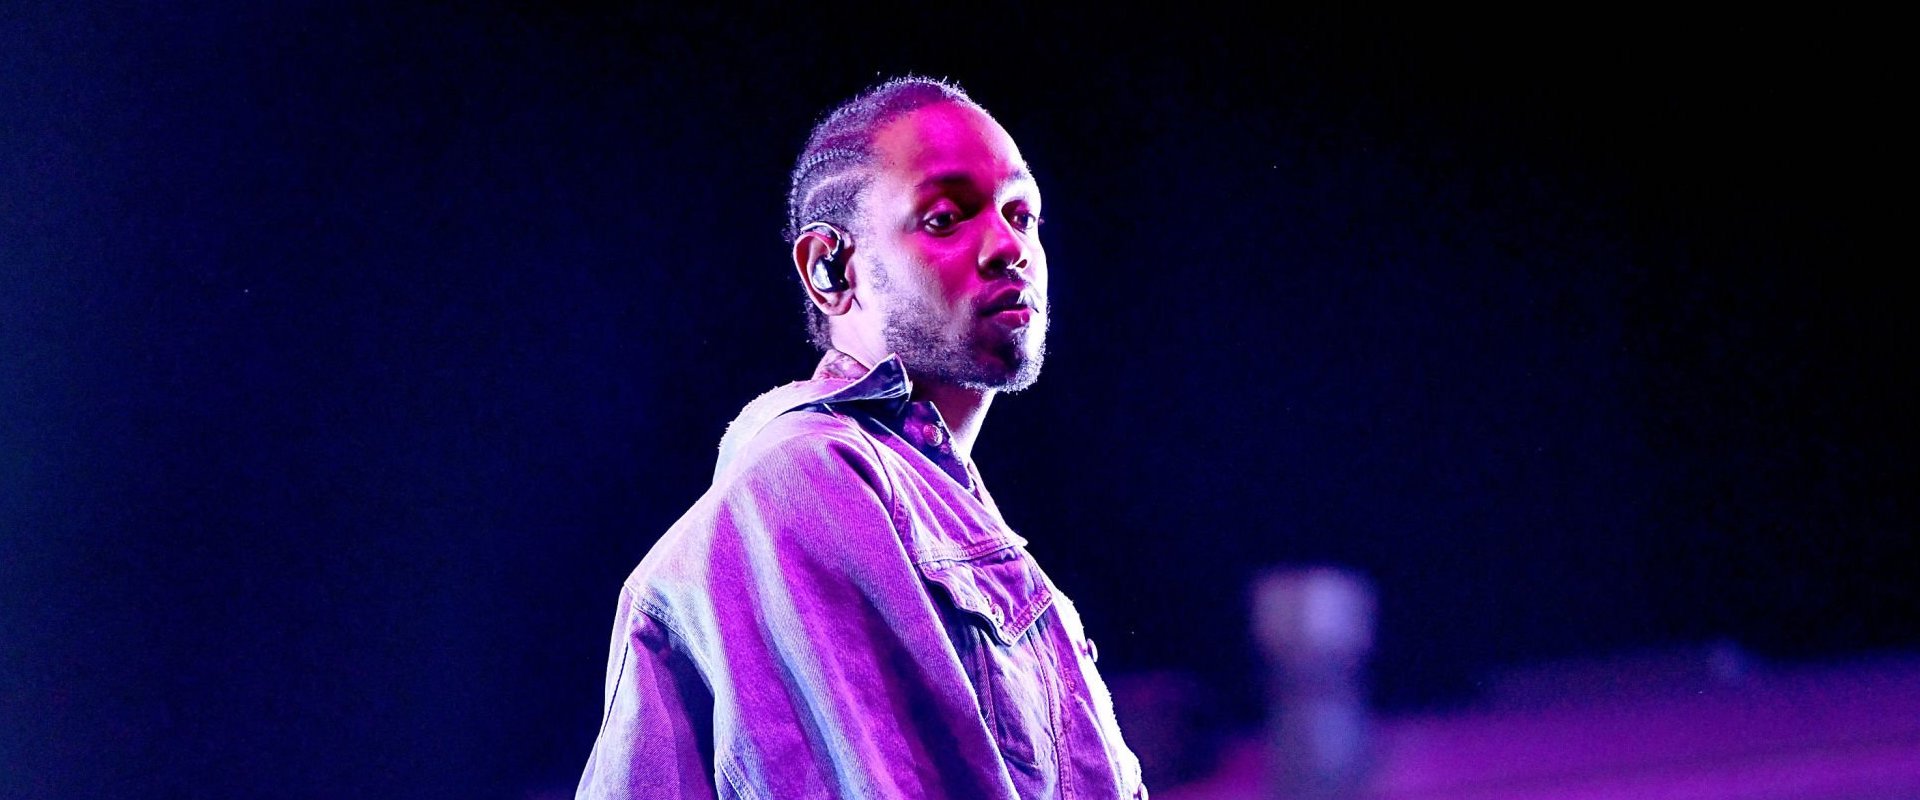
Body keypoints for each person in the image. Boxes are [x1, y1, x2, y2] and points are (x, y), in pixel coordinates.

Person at [577, 77, 1145, 800]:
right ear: (830, 268)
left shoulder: (929, 504)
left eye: (1023, 214)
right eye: (946, 218)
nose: (1010, 246)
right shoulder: (805, 477)